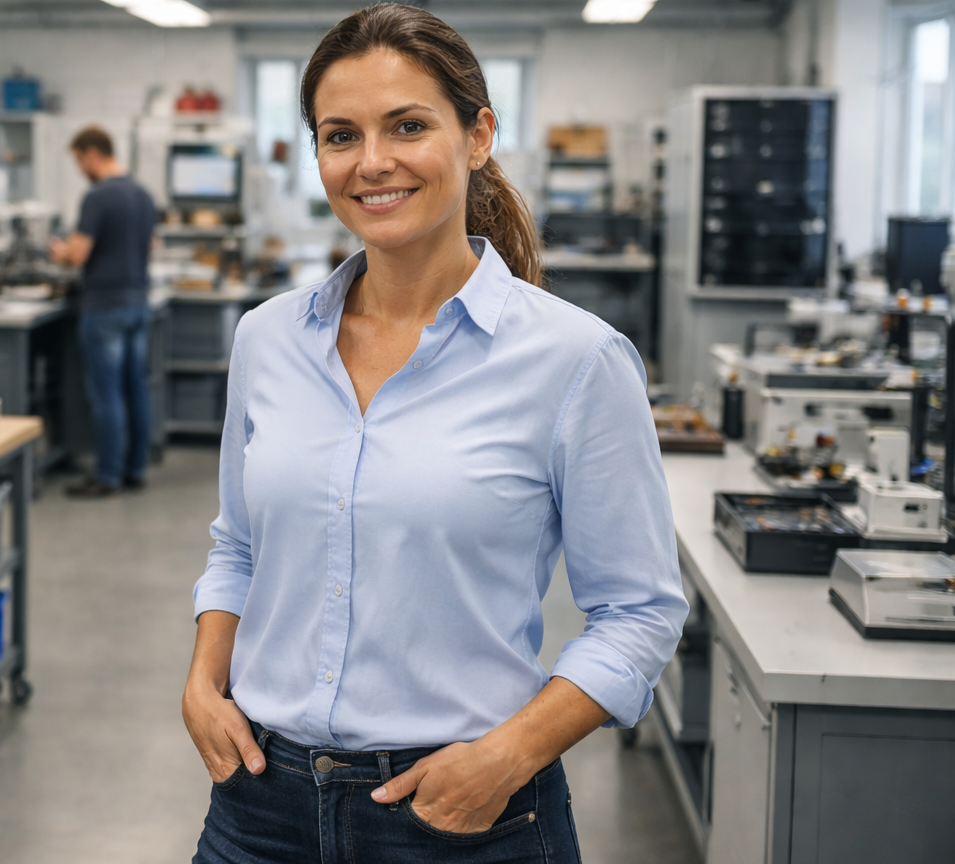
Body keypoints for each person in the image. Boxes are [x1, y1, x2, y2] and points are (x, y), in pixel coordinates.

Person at [182, 6, 687, 863]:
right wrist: (201, 682)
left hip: (463, 816)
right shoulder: (267, 338)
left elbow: (638, 613)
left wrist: (508, 757)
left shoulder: (574, 358)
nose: (372, 162)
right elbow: (239, 547)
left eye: (407, 126)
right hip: (259, 806)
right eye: (340, 135)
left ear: (478, 134)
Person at [49, 127, 157, 499]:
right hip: (138, 303)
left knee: (107, 394)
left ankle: (107, 475)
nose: (80, 169)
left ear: (92, 154)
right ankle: (135, 468)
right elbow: (151, 246)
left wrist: (58, 251)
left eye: (79, 160)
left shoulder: (97, 197)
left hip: (105, 307)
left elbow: (78, 254)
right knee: (135, 388)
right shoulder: (143, 195)